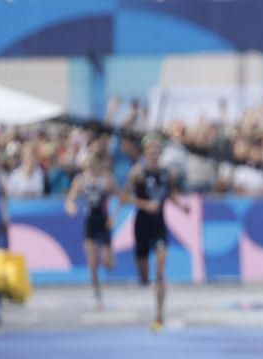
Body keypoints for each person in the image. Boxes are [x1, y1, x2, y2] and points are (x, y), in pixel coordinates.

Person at [122, 135, 189, 332]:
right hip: (142, 224)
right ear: (145, 152)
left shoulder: (166, 173)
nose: (153, 153)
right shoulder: (137, 172)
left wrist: (181, 206)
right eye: (150, 150)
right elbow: (124, 196)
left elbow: (170, 193)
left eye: (156, 149)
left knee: (160, 268)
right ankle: (144, 279)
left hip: (159, 224)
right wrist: (144, 204)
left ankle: (159, 313)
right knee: (143, 272)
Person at [64, 151, 117, 309]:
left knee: (106, 261)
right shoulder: (80, 180)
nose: (91, 169)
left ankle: (110, 259)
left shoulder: (106, 178)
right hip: (90, 223)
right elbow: (70, 199)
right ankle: (97, 293)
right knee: (92, 261)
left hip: (103, 221)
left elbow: (119, 196)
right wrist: (71, 207)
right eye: (88, 166)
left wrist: (114, 215)